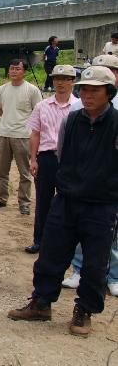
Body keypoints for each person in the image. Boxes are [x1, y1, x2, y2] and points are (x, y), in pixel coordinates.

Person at [8, 66, 118, 337]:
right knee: (51, 252)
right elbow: (61, 151)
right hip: (67, 198)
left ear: (109, 93)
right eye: (85, 90)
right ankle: (41, 302)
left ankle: (84, 311)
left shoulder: (116, 123)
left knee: (95, 261)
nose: (88, 95)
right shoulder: (72, 120)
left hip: (102, 204)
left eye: (95, 90)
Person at [63, 54, 118, 295]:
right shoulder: (77, 109)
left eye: (110, 69)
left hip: (110, 188)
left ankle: (114, 276)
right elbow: (62, 149)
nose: (88, 93)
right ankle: (78, 270)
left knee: (111, 235)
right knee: (80, 232)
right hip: (81, 184)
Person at [25, 65, 78, 255]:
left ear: (73, 81)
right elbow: (35, 134)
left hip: (71, 160)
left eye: (65, 78)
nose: (61, 82)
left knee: (70, 202)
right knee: (43, 201)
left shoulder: (78, 107)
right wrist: (33, 159)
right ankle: (40, 240)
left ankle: (67, 242)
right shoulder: (42, 106)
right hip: (46, 158)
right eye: (57, 78)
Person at [0, 59, 42, 216]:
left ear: (24, 71)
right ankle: (1, 198)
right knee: (1, 171)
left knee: (25, 172)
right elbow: (0, 109)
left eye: (17, 69)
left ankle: (24, 202)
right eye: (11, 68)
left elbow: (37, 112)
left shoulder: (32, 90)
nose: (14, 71)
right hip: (3, 134)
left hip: (23, 136)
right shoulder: (2, 89)